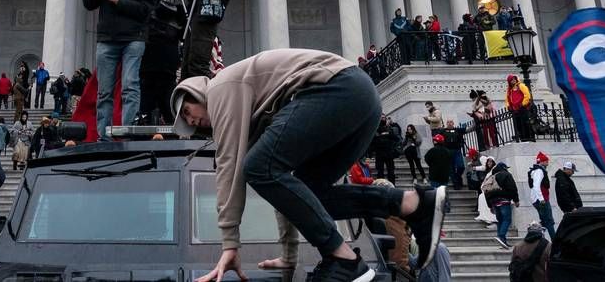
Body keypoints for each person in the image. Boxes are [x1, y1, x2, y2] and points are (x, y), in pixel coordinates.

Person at [171, 48, 447, 281]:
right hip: (361, 99)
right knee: (306, 191)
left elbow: (229, 169)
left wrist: (229, 243)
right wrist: (289, 255)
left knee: (256, 167)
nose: (192, 122)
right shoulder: (254, 112)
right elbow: (287, 193)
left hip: (338, 89)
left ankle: (345, 260)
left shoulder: (220, 88)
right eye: (187, 124)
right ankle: (412, 204)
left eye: (187, 112)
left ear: (197, 92)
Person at [83, 0, 158, 140]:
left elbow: (146, 9)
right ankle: (104, 137)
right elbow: (88, 3)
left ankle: (127, 134)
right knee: (104, 91)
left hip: (134, 37)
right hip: (108, 38)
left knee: (130, 86)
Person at [483, 161, 519, 249]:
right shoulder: (506, 175)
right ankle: (501, 236)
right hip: (504, 201)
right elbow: (512, 188)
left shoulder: (491, 177)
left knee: (500, 221)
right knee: (507, 220)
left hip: (494, 203)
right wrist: (516, 200)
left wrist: (490, 205)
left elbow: (486, 192)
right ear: (504, 168)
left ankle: (503, 241)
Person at [529, 151, 556, 238]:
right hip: (541, 200)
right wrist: (541, 199)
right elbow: (536, 185)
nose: (548, 163)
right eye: (546, 161)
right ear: (542, 161)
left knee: (544, 222)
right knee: (549, 221)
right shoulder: (539, 171)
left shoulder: (536, 171)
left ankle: (537, 238)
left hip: (538, 200)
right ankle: (555, 242)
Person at [371, 114, 400, 186]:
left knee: (391, 172)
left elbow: (396, 138)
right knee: (380, 172)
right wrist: (383, 135)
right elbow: (373, 141)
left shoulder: (389, 129)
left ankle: (392, 186)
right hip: (379, 154)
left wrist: (388, 133)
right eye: (381, 118)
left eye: (384, 118)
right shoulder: (375, 128)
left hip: (389, 153)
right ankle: (380, 188)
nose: (383, 119)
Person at [506, 74, 534, 142]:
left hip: (522, 108)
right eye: (511, 80)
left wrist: (522, 104)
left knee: (525, 123)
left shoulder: (521, 86)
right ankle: (523, 138)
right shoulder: (510, 90)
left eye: (514, 79)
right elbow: (507, 99)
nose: (513, 81)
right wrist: (508, 106)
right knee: (518, 125)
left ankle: (529, 138)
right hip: (515, 110)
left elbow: (527, 95)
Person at [441, 119, 466, 190]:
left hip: (457, 150)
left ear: (453, 123)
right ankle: (456, 184)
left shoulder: (457, 130)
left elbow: (467, 129)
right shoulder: (443, 131)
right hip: (448, 151)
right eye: (448, 122)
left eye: (451, 122)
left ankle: (458, 177)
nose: (449, 123)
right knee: (451, 169)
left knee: (461, 166)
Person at [474, 157, 498, 225]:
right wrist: (475, 168)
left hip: (492, 191)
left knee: (484, 200)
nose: (489, 163)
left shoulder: (494, 170)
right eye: (488, 162)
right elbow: (483, 167)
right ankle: (485, 216)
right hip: (486, 192)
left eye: (491, 162)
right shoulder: (488, 170)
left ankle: (491, 219)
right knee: (481, 197)